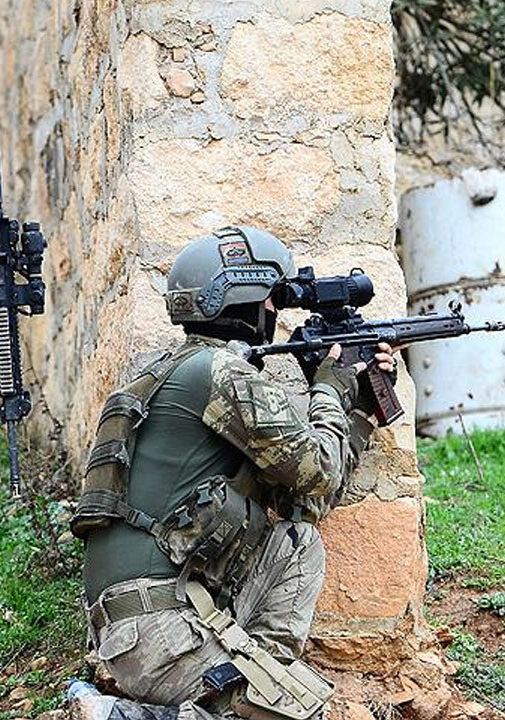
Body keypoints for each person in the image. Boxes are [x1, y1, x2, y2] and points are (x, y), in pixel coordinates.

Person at [71, 226, 397, 720]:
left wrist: (360, 416)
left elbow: (305, 500)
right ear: (237, 297)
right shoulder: (223, 374)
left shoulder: (176, 371)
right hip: (160, 625)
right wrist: (329, 389)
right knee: (300, 714)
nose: (273, 312)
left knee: (296, 543)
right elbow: (320, 473)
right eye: (269, 300)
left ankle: (244, 693)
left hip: (140, 619)